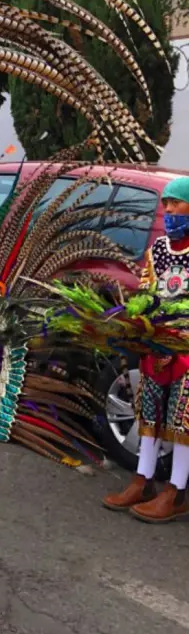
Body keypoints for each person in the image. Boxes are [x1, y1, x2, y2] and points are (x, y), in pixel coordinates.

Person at [103, 176, 189, 522]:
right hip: (157, 344)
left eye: (176, 204)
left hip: (185, 348)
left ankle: (177, 490)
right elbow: (147, 292)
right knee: (149, 413)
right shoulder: (158, 251)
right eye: (165, 204)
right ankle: (143, 480)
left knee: (182, 420)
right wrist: (139, 322)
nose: (168, 211)